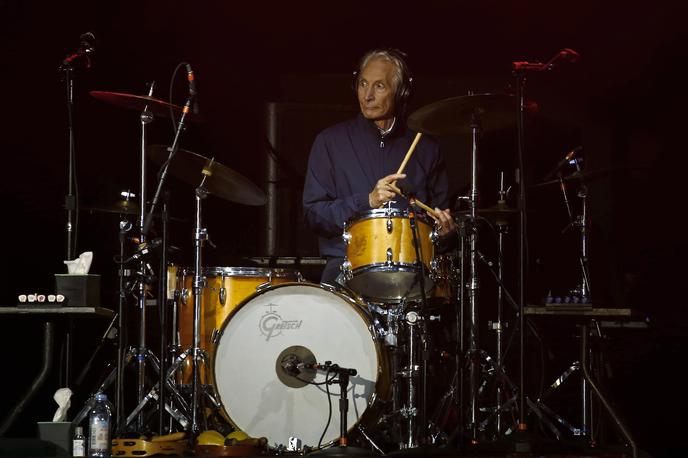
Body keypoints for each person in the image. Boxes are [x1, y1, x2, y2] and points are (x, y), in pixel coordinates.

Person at [303, 48, 456, 286]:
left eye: (379, 86)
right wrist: (367, 201)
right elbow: (313, 215)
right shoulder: (330, 142)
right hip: (347, 268)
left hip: (411, 272)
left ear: (401, 92)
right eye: (363, 84)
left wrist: (445, 233)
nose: (367, 95)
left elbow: (437, 228)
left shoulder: (425, 148)